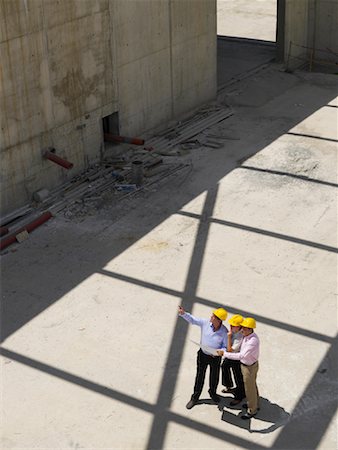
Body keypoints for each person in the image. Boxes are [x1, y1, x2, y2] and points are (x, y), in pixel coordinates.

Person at [178, 305, 228, 409]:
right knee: (200, 376)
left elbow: (226, 346)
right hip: (203, 355)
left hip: (215, 358)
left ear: (219, 320)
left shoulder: (224, 332)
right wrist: (183, 314)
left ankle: (213, 393)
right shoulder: (205, 323)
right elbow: (193, 320)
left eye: (213, 316)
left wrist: (220, 351)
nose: (211, 316)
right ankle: (195, 397)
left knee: (214, 377)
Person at [217, 317, 260, 419]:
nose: (242, 330)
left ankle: (252, 410)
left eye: (244, 328)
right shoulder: (247, 335)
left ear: (250, 329)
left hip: (249, 367)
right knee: (252, 387)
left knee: (249, 389)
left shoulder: (252, 341)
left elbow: (241, 355)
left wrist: (224, 354)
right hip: (248, 365)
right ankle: (255, 404)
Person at [221, 314, 245, 406]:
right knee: (224, 366)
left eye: (233, 326)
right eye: (231, 325)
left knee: (238, 377)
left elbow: (230, 349)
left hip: (237, 358)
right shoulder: (233, 332)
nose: (231, 327)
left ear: (239, 327)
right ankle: (229, 385)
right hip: (230, 356)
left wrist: (229, 337)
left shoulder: (240, 336)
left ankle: (240, 396)